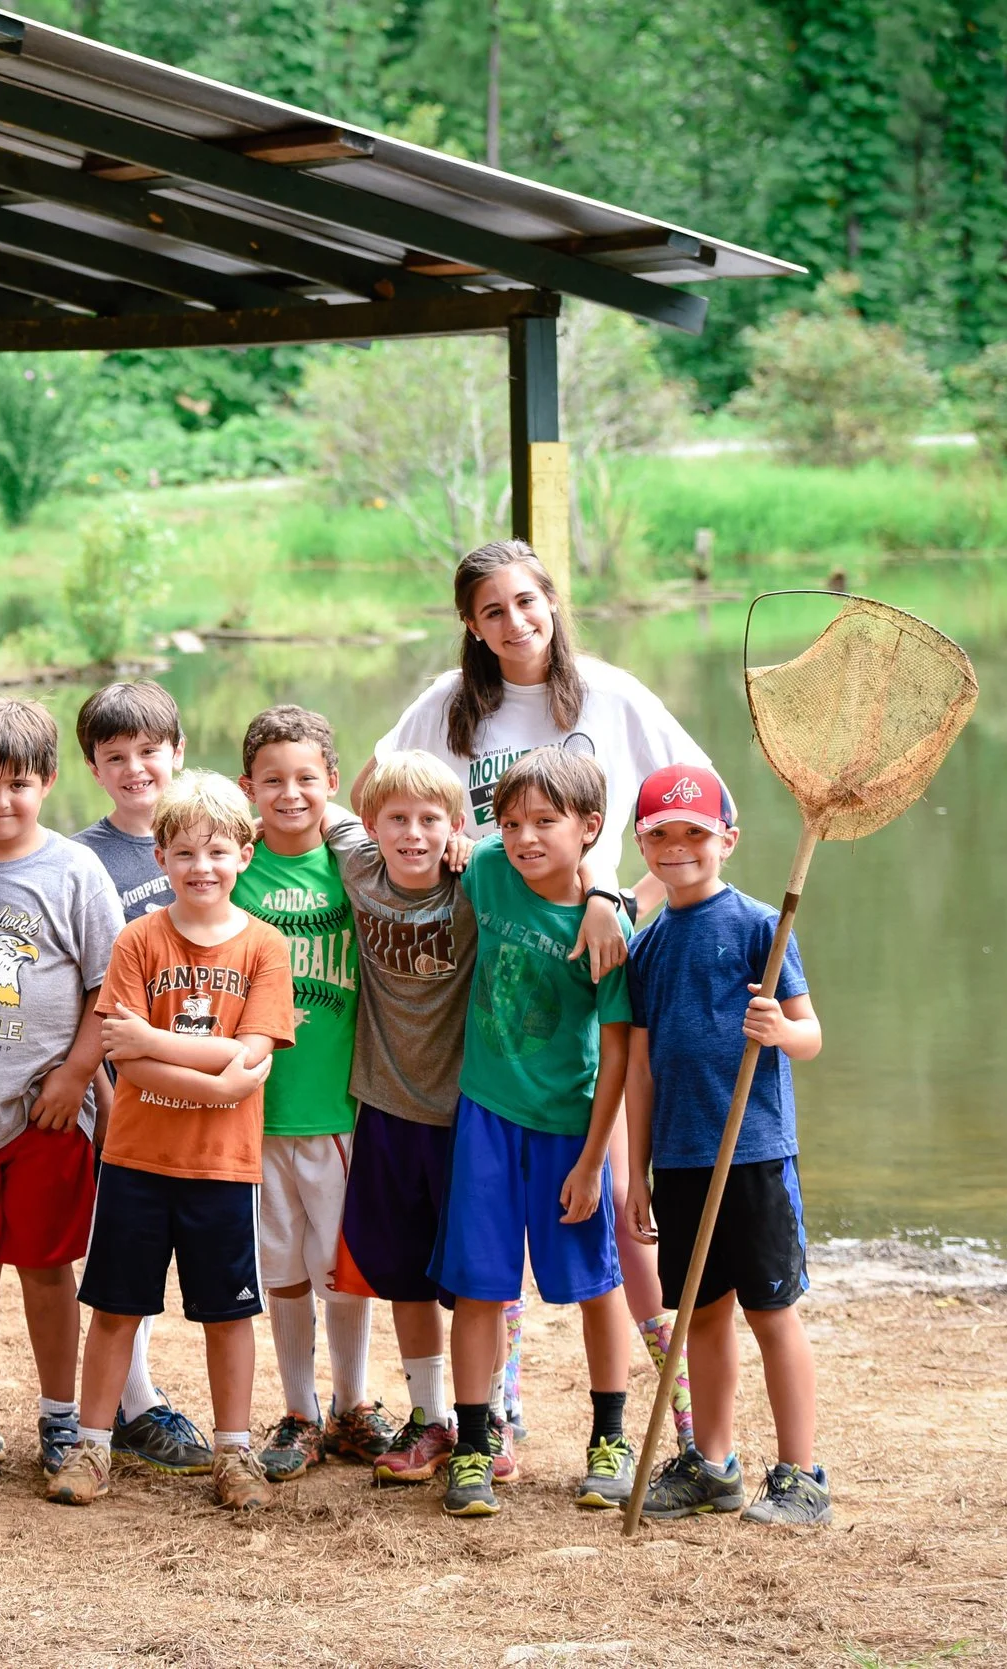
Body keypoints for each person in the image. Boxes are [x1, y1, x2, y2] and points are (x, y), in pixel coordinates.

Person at [361, 538, 698, 1449]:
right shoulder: (450, 705)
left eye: (526, 601)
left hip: (592, 964)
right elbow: (376, 790)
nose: (515, 622)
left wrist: (621, 900)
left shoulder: (612, 697)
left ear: (553, 600)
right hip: (496, 965)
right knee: (493, 1235)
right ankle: (497, 1421)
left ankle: (677, 1415)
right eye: (492, 610)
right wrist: (448, 836)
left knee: (617, 1218)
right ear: (471, 625)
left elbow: (700, 810)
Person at [48, 771, 296, 1513]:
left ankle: (234, 1452)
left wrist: (163, 1043)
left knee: (229, 1312)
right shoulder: (138, 940)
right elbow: (126, 1058)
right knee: (116, 1306)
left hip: (223, 1166)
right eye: (184, 852)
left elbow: (253, 1054)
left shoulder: (264, 946)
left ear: (245, 854)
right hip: (137, 1161)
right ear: (160, 858)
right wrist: (218, 1078)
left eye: (217, 851)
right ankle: (92, 1445)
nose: (201, 867)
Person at [431, 750, 635, 1518]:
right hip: (485, 1115)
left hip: (566, 1127)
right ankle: (474, 1443)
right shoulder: (487, 869)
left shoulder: (604, 928)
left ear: (589, 827)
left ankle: (609, 1439)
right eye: (511, 822)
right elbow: (439, 840)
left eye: (545, 822)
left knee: (596, 1283)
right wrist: (460, 839)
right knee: (479, 1285)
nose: (524, 837)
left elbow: (617, 1052)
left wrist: (593, 1159)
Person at [624, 765, 829, 1527]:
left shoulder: (759, 927)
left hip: (753, 1154)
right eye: (661, 834)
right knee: (699, 1316)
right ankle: (713, 1465)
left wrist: (779, 1030)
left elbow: (811, 1034)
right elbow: (640, 1069)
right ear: (641, 842)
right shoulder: (647, 946)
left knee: (770, 1311)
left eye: (695, 833)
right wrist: (638, 1170)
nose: (678, 846)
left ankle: (802, 1474)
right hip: (679, 1159)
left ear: (728, 840)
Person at [0, 698, 121, 1479]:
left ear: (48, 780)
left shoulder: (75, 871)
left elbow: (109, 987)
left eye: (18, 784)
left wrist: (75, 1075)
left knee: (45, 1268)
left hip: (47, 1111)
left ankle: (60, 1414)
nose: (0, 800)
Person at [230, 704, 386, 1482]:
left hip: (337, 1106)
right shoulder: (235, 868)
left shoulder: (356, 867)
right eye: (272, 780)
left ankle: (352, 1403)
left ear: (331, 779)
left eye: (305, 778)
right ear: (247, 788)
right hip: (258, 1110)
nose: (289, 794)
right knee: (281, 1265)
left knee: (342, 1266)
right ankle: (299, 1410)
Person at [319, 751, 481, 1488]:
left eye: (429, 820)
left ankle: (487, 1419)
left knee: (475, 1278)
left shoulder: (476, 882)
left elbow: (561, 867)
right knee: (408, 1278)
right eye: (397, 819)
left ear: (454, 825)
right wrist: (251, 823)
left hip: (465, 1114)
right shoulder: (359, 866)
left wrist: (607, 896)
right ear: (372, 824)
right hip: (386, 1105)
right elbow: (316, 811)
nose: (413, 834)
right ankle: (430, 1416)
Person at [66, 680, 213, 1476]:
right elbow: (84, 991)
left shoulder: (209, 835)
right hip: (122, 1092)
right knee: (127, 1246)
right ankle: (134, 1402)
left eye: (150, 751)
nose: (135, 769)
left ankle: (135, 1398)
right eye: (115, 756)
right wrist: (102, 1090)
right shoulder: (82, 857)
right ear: (92, 766)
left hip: (203, 1081)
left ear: (178, 751)